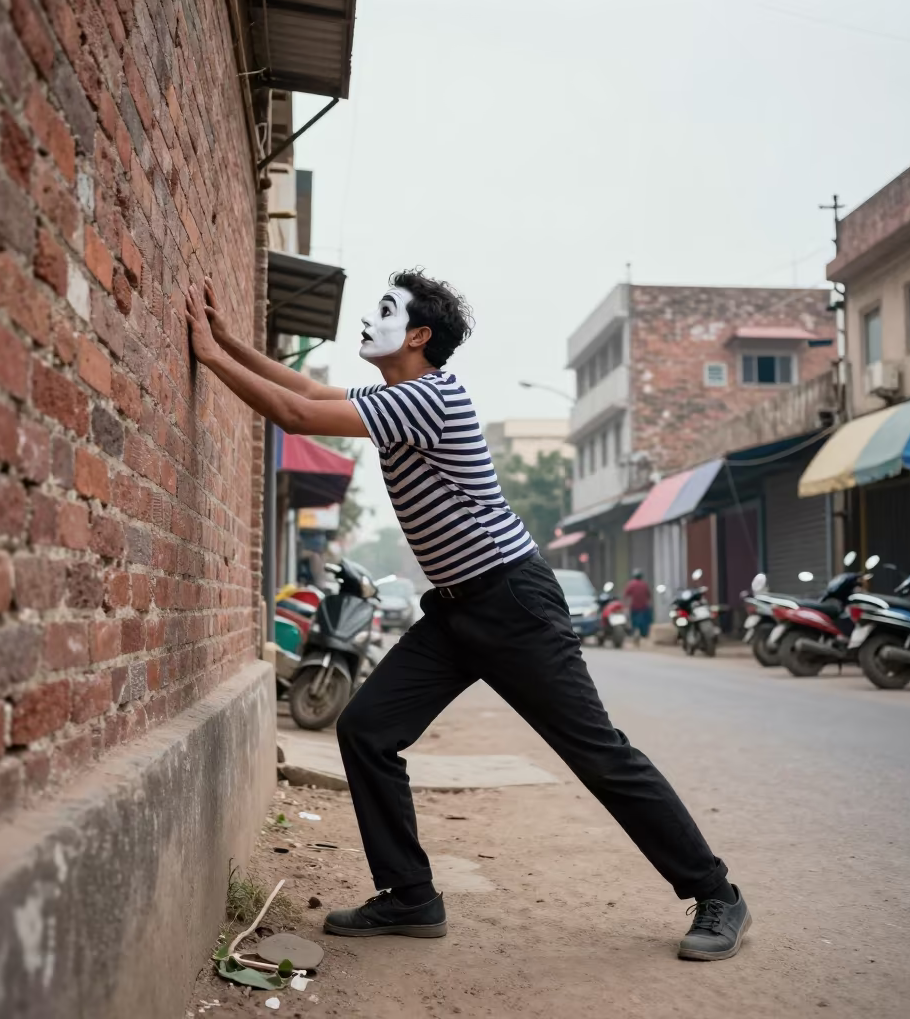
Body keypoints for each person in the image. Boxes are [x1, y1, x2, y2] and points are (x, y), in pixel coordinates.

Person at [184, 270, 750, 962]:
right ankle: (410, 897)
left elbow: (297, 415)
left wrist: (210, 357)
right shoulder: (396, 396)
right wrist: (229, 342)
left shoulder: (429, 397)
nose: (368, 319)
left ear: (418, 336)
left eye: (386, 311)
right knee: (367, 729)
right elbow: (307, 391)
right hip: (455, 611)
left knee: (599, 755)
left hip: (513, 602)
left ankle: (717, 893)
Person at [624, 569, 653, 644]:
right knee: (645, 622)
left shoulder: (631, 584)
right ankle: (644, 635)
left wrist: (626, 605)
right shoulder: (644, 584)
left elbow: (626, 595)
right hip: (644, 607)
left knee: (634, 622)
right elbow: (649, 595)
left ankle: (635, 633)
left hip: (634, 607)